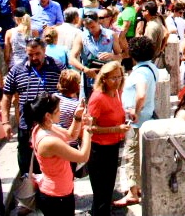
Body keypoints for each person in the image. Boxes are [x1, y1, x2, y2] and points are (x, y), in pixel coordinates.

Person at [1, 37, 62, 174]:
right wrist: (5, 122)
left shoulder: (57, 67)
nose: (34, 58)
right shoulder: (17, 70)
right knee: (26, 161)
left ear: (44, 50)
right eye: (30, 54)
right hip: (27, 125)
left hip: (51, 125)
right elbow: (7, 96)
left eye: (37, 54)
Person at [25, 93, 92, 216]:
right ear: (47, 115)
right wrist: (88, 129)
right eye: (57, 110)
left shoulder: (45, 127)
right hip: (56, 196)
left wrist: (77, 117)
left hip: (61, 191)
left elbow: (71, 135)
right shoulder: (49, 142)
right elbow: (83, 156)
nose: (60, 112)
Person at [116, 36, 159, 208]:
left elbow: (141, 94)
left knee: (132, 156)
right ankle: (138, 187)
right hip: (146, 117)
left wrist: (135, 110)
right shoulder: (152, 68)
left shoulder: (140, 72)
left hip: (136, 122)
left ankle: (132, 192)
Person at [87, 61, 129, 216]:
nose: (117, 81)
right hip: (99, 149)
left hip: (113, 146)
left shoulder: (116, 93)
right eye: (113, 78)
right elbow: (90, 128)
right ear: (104, 79)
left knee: (108, 189)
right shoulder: (98, 98)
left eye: (119, 77)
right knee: (101, 192)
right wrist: (116, 129)